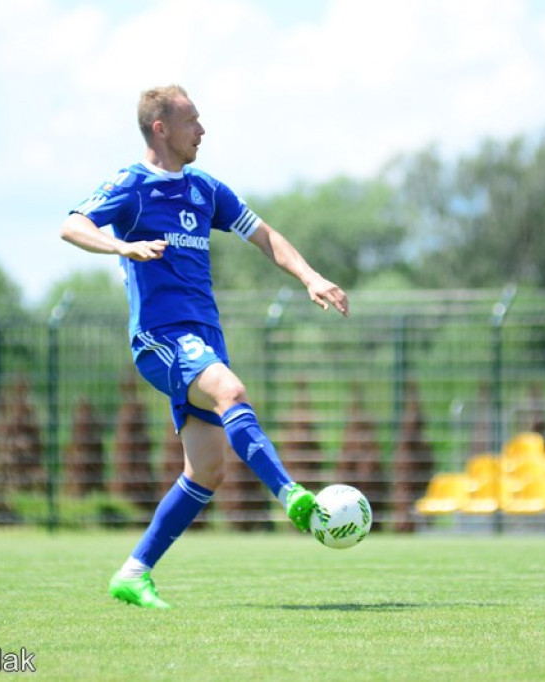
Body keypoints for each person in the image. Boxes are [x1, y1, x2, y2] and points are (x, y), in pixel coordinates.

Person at [60, 84, 349, 609]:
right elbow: (72, 225)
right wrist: (121, 244)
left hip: (204, 339)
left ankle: (133, 572)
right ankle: (294, 497)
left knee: (208, 470)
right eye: (193, 120)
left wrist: (309, 276)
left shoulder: (205, 188)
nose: (203, 129)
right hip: (162, 339)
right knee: (231, 391)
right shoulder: (133, 185)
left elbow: (263, 234)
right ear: (161, 128)